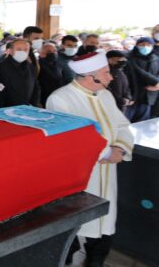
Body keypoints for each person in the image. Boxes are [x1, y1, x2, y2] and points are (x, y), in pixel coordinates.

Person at [46, 52, 134, 267]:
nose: (111, 78)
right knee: (74, 229)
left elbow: (122, 126)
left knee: (104, 230)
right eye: (106, 73)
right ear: (90, 76)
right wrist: (105, 152)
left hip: (108, 172)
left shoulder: (105, 95)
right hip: (82, 176)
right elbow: (68, 140)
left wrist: (120, 148)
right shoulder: (60, 99)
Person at [0, 39, 42, 107]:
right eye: (19, 49)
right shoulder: (0, 67)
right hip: (8, 109)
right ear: (10, 51)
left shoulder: (30, 67)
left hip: (28, 107)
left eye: (25, 49)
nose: (22, 52)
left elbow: (36, 87)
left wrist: (34, 104)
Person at [126, 37, 159, 122]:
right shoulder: (129, 57)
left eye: (148, 45)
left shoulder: (155, 58)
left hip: (147, 98)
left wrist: (157, 85)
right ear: (136, 45)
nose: (145, 47)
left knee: (143, 123)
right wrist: (156, 82)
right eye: (142, 45)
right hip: (132, 97)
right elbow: (137, 71)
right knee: (126, 123)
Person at [106, 50, 133, 114]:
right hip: (111, 107)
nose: (123, 61)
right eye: (120, 59)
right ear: (110, 60)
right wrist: (120, 100)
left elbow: (126, 87)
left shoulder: (120, 71)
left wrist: (128, 97)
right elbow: (106, 89)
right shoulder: (106, 72)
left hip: (121, 106)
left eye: (124, 59)